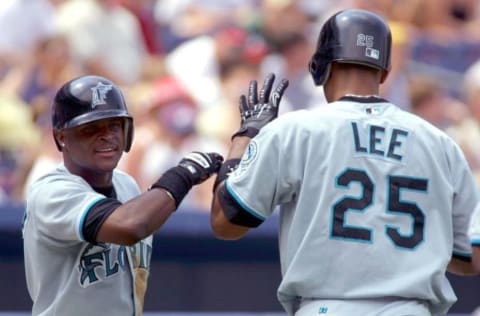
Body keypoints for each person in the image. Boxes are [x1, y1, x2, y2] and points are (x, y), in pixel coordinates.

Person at [209, 9, 479, 316]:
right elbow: (471, 256)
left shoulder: (296, 129)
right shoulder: (439, 143)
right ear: (385, 72)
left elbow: (225, 222)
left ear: (321, 66)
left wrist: (244, 138)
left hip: (326, 308)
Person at [22, 75, 223, 316]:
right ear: (62, 137)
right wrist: (183, 176)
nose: (107, 135)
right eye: (91, 128)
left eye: (114, 125)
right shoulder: (51, 191)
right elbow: (130, 226)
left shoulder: (126, 185)